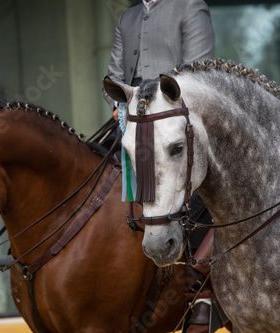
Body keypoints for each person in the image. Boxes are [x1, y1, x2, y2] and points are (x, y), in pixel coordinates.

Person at [103, 1, 217, 332]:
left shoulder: (190, 6)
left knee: (195, 197)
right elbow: (115, 74)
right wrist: (118, 105)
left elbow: (199, 73)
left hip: (175, 119)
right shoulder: (128, 17)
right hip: (133, 122)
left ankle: (203, 294)